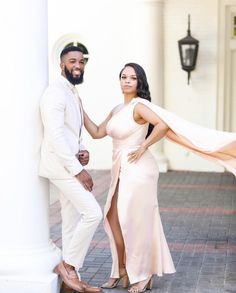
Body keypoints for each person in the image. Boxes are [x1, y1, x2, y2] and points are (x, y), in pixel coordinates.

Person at [83, 62, 236, 293]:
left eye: (132, 78)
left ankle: (143, 275)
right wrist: (78, 106)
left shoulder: (139, 106)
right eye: (123, 76)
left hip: (138, 168)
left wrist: (144, 146)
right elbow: (96, 133)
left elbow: (162, 125)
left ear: (139, 82)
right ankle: (122, 270)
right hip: (119, 168)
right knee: (113, 218)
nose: (127, 81)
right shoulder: (116, 109)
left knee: (135, 222)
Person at [39, 45, 103, 293]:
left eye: (81, 61)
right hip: (60, 167)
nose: (78, 65)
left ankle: (69, 281)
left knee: (71, 220)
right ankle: (68, 265)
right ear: (62, 65)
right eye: (72, 61)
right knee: (92, 213)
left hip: (68, 162)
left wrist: (82, 150)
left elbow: (70, 132)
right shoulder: (55, 93)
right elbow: (54, 134)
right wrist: (78, 170)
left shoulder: (73, 93)